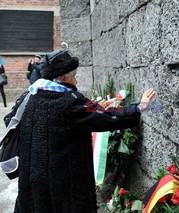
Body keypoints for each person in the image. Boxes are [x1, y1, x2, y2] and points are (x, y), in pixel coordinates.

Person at [4, 49, 155, 213]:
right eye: (74, 76)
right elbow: (105, 116)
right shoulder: (68, 102)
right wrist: (139, 107)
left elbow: (9, 120)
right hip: (62, 184)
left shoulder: (29, 96)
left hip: (32, 178)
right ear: (62, 78)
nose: (76, 82)